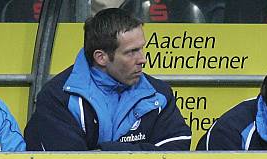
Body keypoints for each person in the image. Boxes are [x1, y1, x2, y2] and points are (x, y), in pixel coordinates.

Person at [24, 8, 191, 151]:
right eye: (131, 52)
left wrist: (104, 151)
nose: (143, 59)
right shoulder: (58, 98)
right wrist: (142, 152)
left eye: (141, 48)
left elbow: (175, 152)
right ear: (101, 57)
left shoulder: (158, 94)